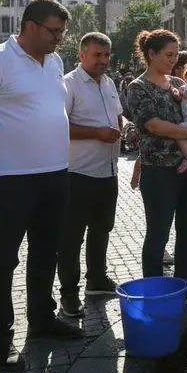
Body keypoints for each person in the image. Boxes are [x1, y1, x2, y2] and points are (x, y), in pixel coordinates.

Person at [0, 0, 83, 371]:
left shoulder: (55, 61)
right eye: (54, 31)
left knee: (46, 252)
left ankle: (42, 319)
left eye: (62, 32)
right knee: (2, 259)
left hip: (55, 175)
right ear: (30, 26)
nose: (59, 39)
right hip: (9, 180)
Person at [125, 30, 187, 308]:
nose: (174, 60)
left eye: (176, 54)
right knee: (158, 233)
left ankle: (184, 286)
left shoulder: (177, 82)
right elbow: (152, 125)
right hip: (159, 170)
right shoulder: (138, 87)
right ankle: (153, 291)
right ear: (151, 55)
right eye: (169, 55)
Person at [58, 33, 123, 318]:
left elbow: (117, 116)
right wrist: (96, 133)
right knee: (71, 237)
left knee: (102, 229)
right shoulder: (68, 84)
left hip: (108, 171)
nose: (103, 61)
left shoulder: (108, 83)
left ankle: (97, 279)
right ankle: (69, 293)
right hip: (78, 173)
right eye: (97, 55)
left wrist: (125, 128)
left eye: (106, 56)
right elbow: (59, 126)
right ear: (82, 54)